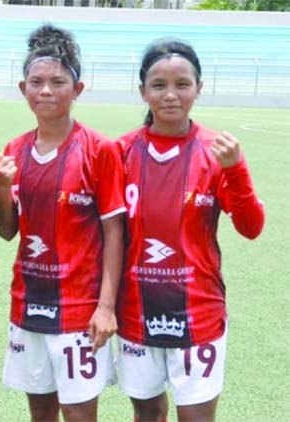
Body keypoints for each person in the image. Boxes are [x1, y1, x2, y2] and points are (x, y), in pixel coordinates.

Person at [115, 37, 265, 422]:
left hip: (199, 310)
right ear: (142, 91)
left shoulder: (217, 151)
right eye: (158, 85)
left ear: (199, 88)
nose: (170, 95)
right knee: (147, 413)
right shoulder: (120, 152)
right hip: (134, 309)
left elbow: (251, 228)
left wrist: (236, 170)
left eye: (182, 84)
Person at [0, 24, 125, 422]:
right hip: (29, 302)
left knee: (80, 413)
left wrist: (106, 307)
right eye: (36, 82)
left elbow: (114, 233)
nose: (46, 91)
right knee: (41, 412)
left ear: (78, 88)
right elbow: (6, 229)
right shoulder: (14, 150)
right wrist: (2, 187)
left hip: (80, 310)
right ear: (23, 88)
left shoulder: (99, 150)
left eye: (57, 82)